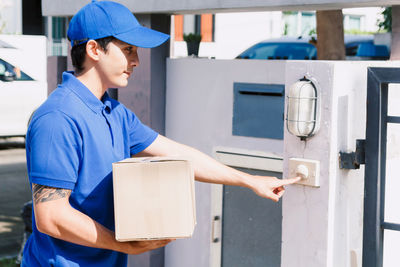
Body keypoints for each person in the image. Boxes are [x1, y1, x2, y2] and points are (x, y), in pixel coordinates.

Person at [21, 1, 300, 266]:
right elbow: (52, 215)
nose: (137, 61)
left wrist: (249, 180)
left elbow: (179, 154)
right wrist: (124, 245)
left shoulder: (114, 113)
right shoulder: (58, 118)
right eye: (128, 49)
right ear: (94, 49)